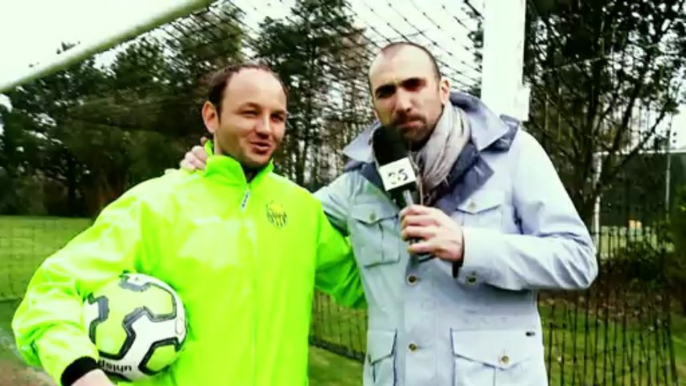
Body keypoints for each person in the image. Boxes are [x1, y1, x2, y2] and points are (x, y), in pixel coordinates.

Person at [180, 42, 598, 386]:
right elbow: (275, 212)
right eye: (386, 92)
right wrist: (216, 166)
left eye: (414, 85)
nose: (402, 102)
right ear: (375, 104)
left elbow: (578, 261)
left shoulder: (512, 155)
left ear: (444, 88)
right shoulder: (358, 182)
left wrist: (468, 246)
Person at [11, 63, 365, 386]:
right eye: (250, 113)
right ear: (211, 117)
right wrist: (81, 372)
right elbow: (50, 291)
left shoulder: (301, 208)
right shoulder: (155, 203)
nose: (265, 129)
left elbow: (362, 285)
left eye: (278, 117)